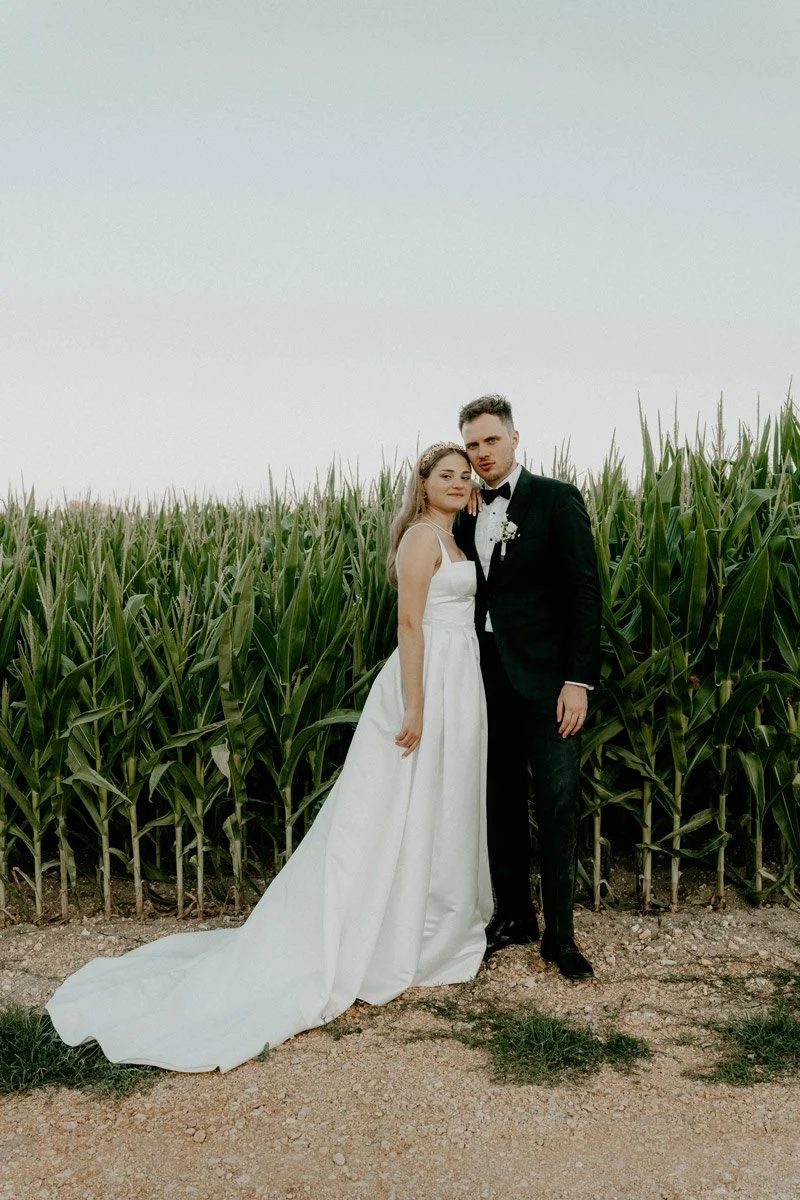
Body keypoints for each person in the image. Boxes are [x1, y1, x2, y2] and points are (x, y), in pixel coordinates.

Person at [45, 443, 493, 1073]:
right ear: (422, 484)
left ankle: (429, 923)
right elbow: (410, 625)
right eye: (446, 475)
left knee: (439, 803)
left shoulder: (455, 536)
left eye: (464, 476)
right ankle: (392, 935)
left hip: (458, 676)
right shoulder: (422, 539)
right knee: (401, 806)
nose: (458, 482)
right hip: (427, 680)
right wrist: (415, 705)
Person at [456, 395, 602, 980]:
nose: (482, 453)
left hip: (549, 682)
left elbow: (584, 593)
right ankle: (515, 916)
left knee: (559, 801)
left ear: (515, 439)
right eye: (472, 444)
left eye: (491, 440)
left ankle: (560, 937)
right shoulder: (464, 509)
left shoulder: (556, 499)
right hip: (484, 677)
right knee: (500, 800)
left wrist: (577, 681)